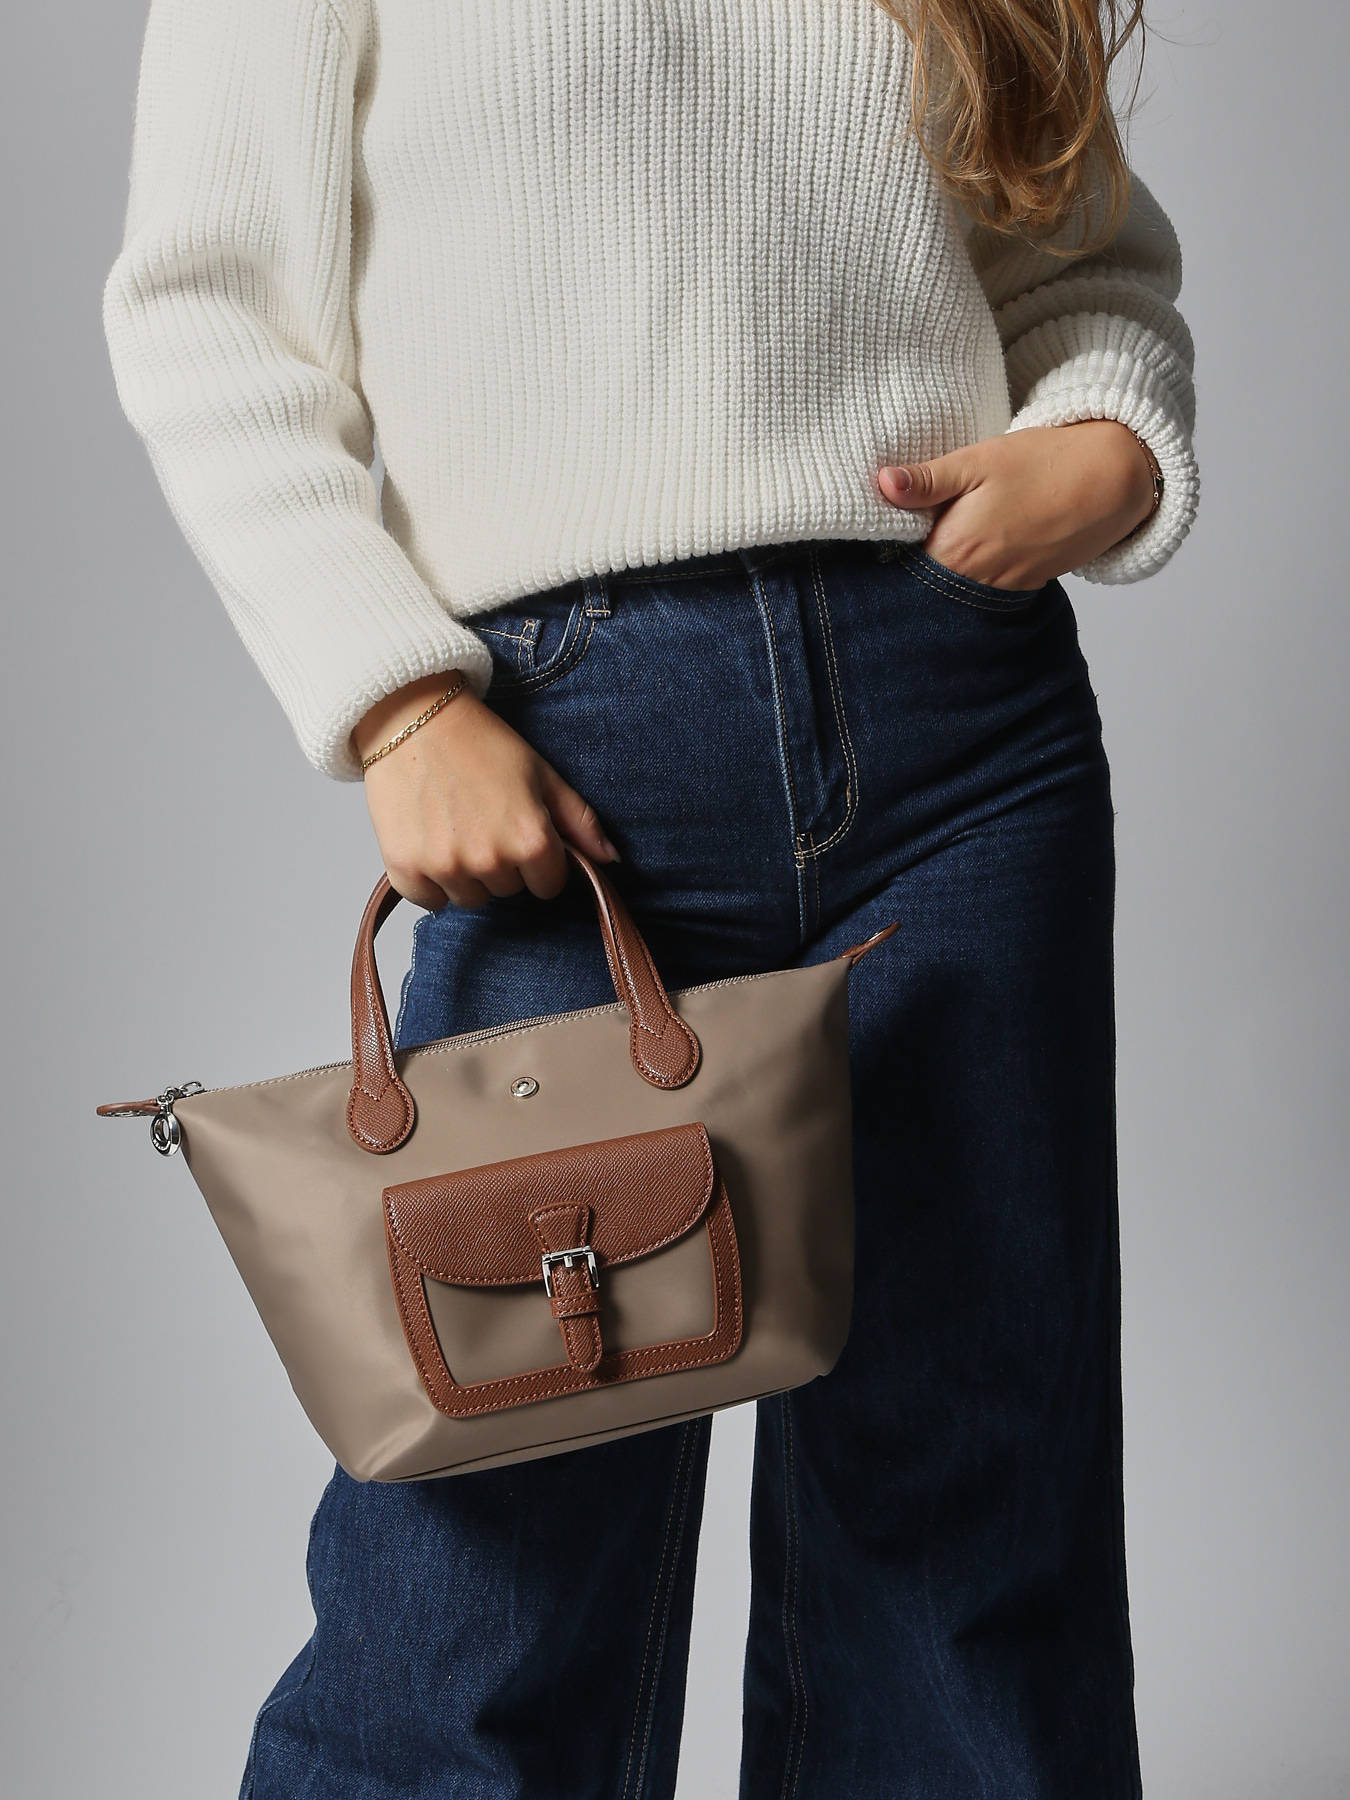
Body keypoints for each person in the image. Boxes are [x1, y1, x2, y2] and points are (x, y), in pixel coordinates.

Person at [102, 1, 1198, 1793]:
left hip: (964, 731)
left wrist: (1104, 436)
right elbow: (206, 305)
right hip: (566, 766)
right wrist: (395, 699)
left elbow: (1082, 265)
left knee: (975, 1529)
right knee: (481, 1564)